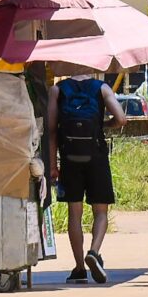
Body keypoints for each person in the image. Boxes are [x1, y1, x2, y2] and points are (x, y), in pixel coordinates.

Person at [47, 74, 127, 284]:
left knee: (75, 213)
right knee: (100, 211)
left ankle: (79, 267)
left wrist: (53, 165)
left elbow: (51, 130)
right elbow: (121, 119)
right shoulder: (101, 88)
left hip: (69, 157)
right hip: (96, 156)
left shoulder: (58, 89)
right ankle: (94, 251)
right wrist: (104, 125)